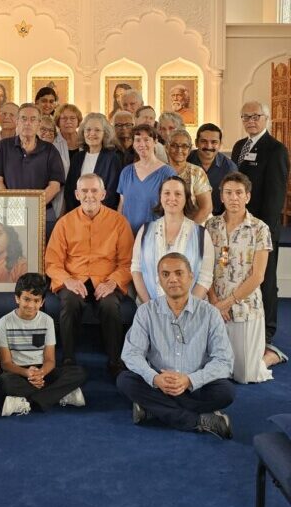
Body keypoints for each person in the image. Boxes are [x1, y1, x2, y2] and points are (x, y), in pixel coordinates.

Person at [117, 253, 235, 439]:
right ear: (160, 280)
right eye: (165, 274)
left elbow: (224, 361)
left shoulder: (210, 314)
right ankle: (198, 421)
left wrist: (189, 380)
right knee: (125, 380)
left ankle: (153, 409)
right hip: (159, 383)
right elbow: (131, 354)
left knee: (226, 392)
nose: (172, 279)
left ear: (191, 277)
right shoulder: (146, 312)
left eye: (179, 273)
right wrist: (155, 378)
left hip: (195, 384)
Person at [46, 174, 134, 375]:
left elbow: (128, 262)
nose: (89, 195)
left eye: (94, 190)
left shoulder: (119, 222)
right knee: (70, 302)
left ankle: (115, 359)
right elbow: (52, 261)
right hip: (73, 278)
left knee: (110, 304)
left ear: (103, 194)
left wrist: (113, 282)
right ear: (77, 194)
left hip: (106, 278)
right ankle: (68, 359)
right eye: (84, 191)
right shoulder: (64, 223)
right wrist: (67, 280)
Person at [206, 173, 285, 381]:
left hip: (245, 307)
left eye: (239, 193)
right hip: (214, 306)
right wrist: (215, 302)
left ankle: (270, 356)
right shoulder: (210, 226)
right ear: (221, 197)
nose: (234, 198)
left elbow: (258, 276)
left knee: (246, 375)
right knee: (220, 371)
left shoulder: (260, 229)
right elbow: (204, 269)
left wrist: (227, 303)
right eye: (228, 193)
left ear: (247, 197)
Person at [231, 101, 290, 346]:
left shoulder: (275, 149)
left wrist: (261, 231)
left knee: (265, 278)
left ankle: (267, 330)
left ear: (266, 118)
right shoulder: (239, 147)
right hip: (238, 226)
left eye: (256, 116)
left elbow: (275, 197)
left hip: (261, 229)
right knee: (242, 276)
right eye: (246, 117)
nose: (250, 121)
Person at [0, 272, 87, 416]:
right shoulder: (4, 322)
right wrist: (27, 373)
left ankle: (29, 400)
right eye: (26, 299)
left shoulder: (47, 321)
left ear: (42, 302)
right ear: (17, 298)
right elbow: (6, 363)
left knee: (79, 373)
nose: (31, 305)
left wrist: (41, 373)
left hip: (42, 371)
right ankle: (58, 395)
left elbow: (50, 360)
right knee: (4, 381)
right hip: (18, 372)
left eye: (36, 300)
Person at [131, 176, 214, 303]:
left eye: (178, 194)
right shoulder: (145, 231)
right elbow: (136, 270)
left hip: (190, 313)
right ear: (160, 197)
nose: (172, 198)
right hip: (150, 310)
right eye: (167, 193)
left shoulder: (202, 234)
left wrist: (184, 310)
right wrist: (150, 307)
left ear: (186, 199)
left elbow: (205, 277)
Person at [0, 102, 65, 238]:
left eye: (33, 119)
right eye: (24, 119)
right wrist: (14, 208)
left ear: (39, 123)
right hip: (10, 212)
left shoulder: (50, 150)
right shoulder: (3, 147)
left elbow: (54, 186)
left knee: (44, 257)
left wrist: (32, 206)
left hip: (43, 212)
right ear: (17, 121)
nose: (28, 123)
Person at [117, 124, 176, 235]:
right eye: (138, 140)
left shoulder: (168, 173)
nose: (142, 144)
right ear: (133, 144)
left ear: (155, 142)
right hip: (128, 234)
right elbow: (122, 205)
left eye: (146, 140)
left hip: (156, 235)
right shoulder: (126, 172)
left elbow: (174, 209)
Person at [65, 112, 121, 211]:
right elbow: (69, 190)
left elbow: (112, 193)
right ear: (83, 132)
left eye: (97, 130)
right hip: (76, 215)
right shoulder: (77, 158)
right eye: (88, 130)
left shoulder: (112, 158)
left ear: (105, 134)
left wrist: (93, 212)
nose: (92, 133)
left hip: (102, 215)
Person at [188, 123, 238, 215]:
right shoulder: (186, 160)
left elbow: (233, 200)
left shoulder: (230, 168)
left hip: (217, 219)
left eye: (214, 142)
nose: (209, 146)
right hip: (188, 217)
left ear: (220, 144)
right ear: (196, 143)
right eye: (204, 141)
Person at [166, 128, 212, 223]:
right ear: (166, 147)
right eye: (174, 145)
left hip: (195, 225)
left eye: (184, 146)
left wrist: (188, 232)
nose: (179, 150)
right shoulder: (160, 172)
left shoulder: (196, 172)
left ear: (190, 149)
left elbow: (206, 208)